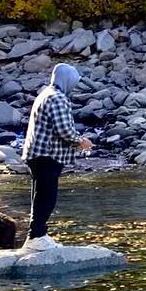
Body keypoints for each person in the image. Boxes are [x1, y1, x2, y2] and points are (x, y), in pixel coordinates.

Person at [20, 62, 92, 248]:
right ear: (66, 80)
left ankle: (36, 235)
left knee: (40, 195)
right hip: (47, 155)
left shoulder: (44, 94)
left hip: (36, 154)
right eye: (73, 82)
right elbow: (64, 130)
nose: (74, 87)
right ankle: (37, 237)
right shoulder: (57, 98)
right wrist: (81, 141)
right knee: (47, 196)